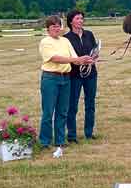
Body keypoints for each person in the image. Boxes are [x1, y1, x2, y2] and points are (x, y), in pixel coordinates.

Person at [39, 15, 93, 150]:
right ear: (48, 29)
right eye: (53, 27)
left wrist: (84, 60)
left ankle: (60, 140)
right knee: (48, 112)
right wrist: (74, 60)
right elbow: (55, 58)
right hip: (50, 78)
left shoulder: (65, 41)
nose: (57, 29)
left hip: (66, 78)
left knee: (62, 111)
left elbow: (74, 57)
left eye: (58, 26)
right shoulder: (46, 42)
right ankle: (44, 141)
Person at [64, 10, 99, 143]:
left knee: (90, 104)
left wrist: (94, 57)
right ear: (71, 21)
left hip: (91, 74)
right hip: (74, 75)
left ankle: (89, 133)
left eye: (82, 18)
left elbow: (95, 51)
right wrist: (79, 60)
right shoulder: (66, 38)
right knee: (72, 105)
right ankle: (72, 135)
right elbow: (67, 57)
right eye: (77, 18)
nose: (80, 21)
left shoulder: (89, 34)